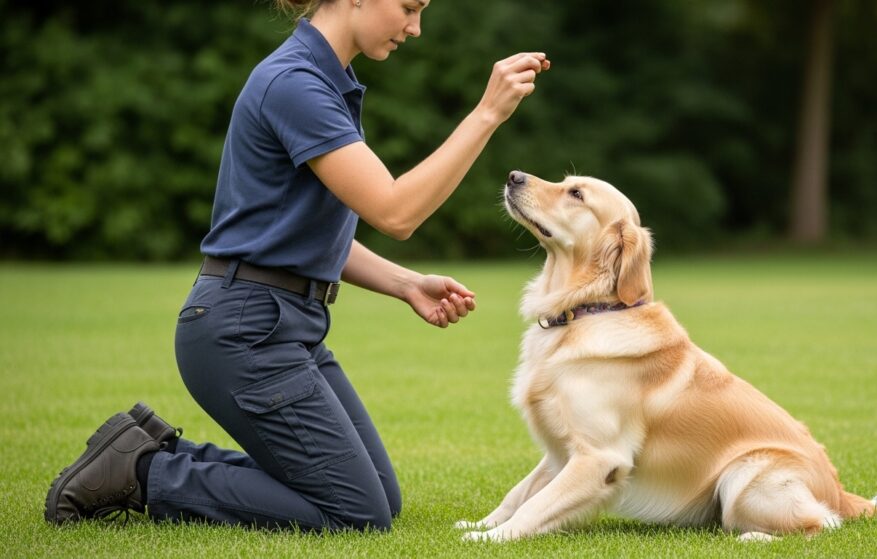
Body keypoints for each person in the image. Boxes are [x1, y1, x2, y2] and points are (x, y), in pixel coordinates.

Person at [45, 0, 549, 532]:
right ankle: (145, 474)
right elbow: (395, 212)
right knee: (357, 513)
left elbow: (300, 232)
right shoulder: (295, 84)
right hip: (244, 333)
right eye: (408, 7)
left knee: (379, 494)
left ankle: (145, 451)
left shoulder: (324, 81)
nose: (415, 27)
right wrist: (486, 114)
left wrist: (406, 283)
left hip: (282, 328)